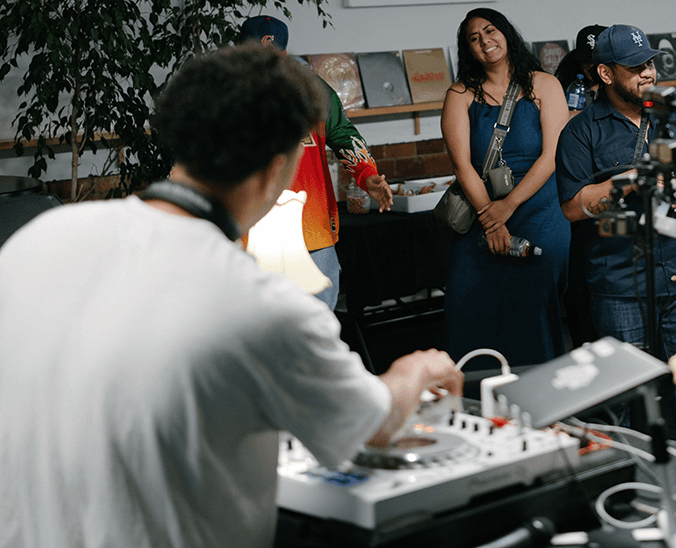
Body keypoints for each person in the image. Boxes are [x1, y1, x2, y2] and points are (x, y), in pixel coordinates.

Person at [0, 45, 463, 548]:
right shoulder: (263, 302)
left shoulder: (38, 236)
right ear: (275, 169)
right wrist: (414, 371)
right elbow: (370, 422)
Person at [556, 24, 676, 447]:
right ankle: (628, 484)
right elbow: (573, 207)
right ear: (606, 74)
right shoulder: (581, 132)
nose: (647, 73)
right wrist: (632, 180)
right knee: (627, 391)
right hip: (620, 282)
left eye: (648, 62)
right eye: (634, 67)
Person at [441, 8, 571, 369]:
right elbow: (461, 164)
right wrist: (492, 220)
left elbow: (551, 156)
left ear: (506, 33)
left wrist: (509, 207)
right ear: (468, 49)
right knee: (467, 302)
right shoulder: (460, 93)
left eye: (490, 30)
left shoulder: (545, 84)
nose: (485, 41)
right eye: (474, 38)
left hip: (540, 208)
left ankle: (542, 399)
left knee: (532, 308)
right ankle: (472, 400)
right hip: (481, 209)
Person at [238, 15, 393, 310]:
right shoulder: (218, 93)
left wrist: (366, 174)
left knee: (317, 328)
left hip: (311, 232)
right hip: (250, 236)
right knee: (258, 335)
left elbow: (344, 136)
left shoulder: (314, 89)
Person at [555, 24, 608, 347]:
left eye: (599, 61)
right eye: (587, 61)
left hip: (607, 192)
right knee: (579, 285)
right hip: (574, 192)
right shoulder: (565, 86)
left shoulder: (621, 89)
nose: (593, 68)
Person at [555, 23, 607, 116]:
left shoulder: (624, 89)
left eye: (598, 61)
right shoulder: (567, 89)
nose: (592, 66)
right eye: (587, 61)